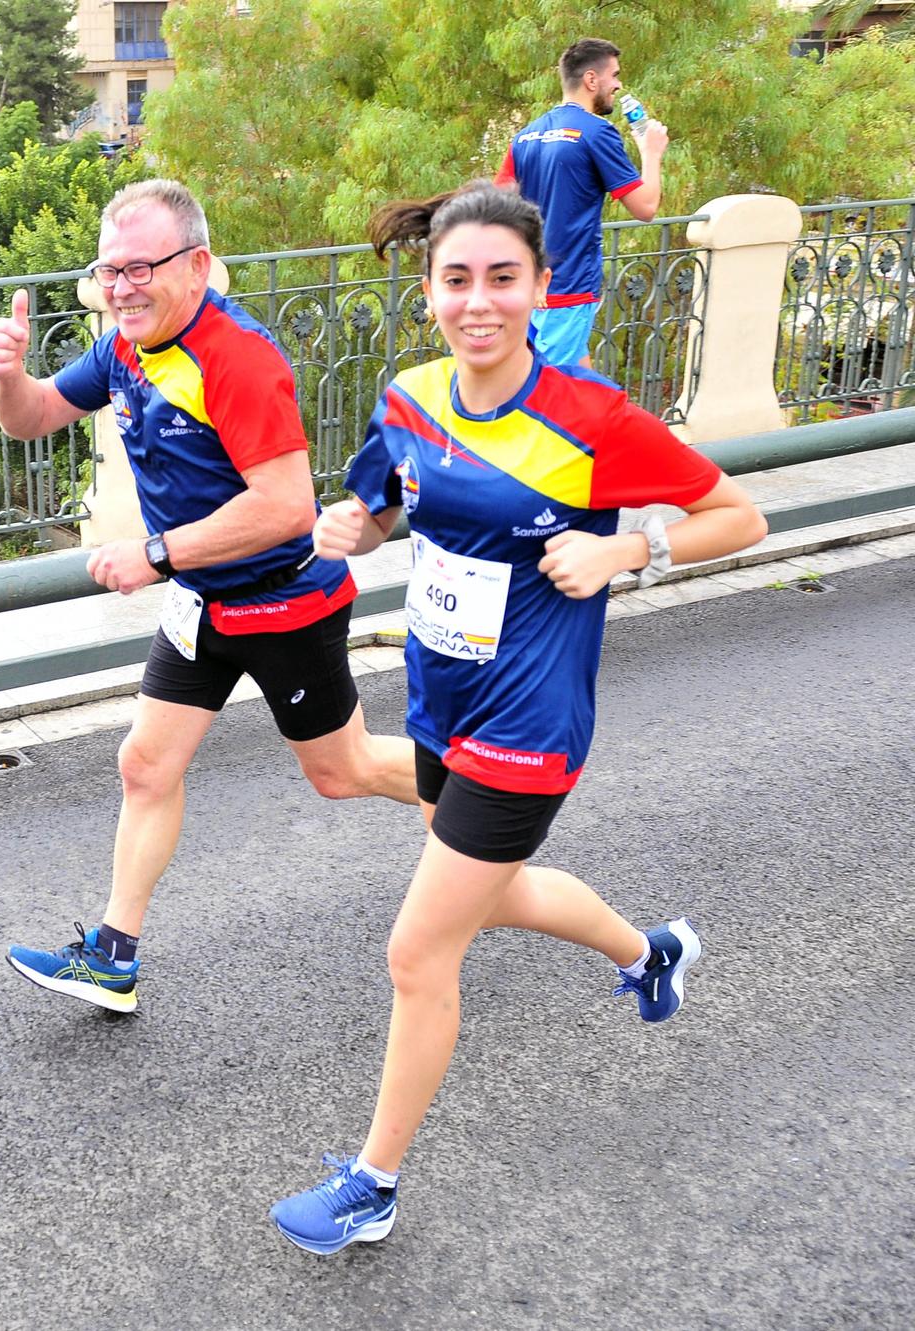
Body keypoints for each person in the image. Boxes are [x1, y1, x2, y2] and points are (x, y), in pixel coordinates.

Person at [266, 181, 766, 1255]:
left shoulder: (589, 417)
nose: (477, 301)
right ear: (429, 288)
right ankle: (649, 951)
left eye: (501, 279)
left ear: (540, 287)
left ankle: (372, 1184)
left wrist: (625, 549)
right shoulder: (407, 398)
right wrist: (354, 523)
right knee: (490, 896)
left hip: (529, 723)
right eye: (456, 280)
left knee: (417, 950)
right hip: (441, 697)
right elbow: (381, 494)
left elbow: (740, 513)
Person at [0, 179, 419, 1015]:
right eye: (110, 271)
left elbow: (287, 504)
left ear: (198, 265)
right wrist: (7, 373)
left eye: (142, 267)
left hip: (283, 601)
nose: (123, 287)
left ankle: (480, 803)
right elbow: (32, 416)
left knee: (343, 771)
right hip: (203, 607)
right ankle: (113, 959)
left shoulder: (237, 357)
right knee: (145, 765)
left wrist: (157, 553)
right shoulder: (125, 349)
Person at [496, 37, 668, 368]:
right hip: (568, 287)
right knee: (558, 395)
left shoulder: (525, 136)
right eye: (614, 75)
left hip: (525, 288)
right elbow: (645, 207)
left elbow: (497, 208)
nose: (618, 85)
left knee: (566, 380)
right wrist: (651, 152)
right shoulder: (596, 132)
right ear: (591, 80)